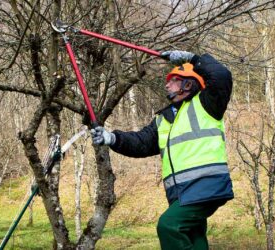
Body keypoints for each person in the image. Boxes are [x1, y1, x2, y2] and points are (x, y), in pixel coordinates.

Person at [91, 51, 234, 249]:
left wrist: (192, 59)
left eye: (174, 80)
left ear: (188, 84)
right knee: (194, 237)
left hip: (205, 186)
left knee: (169, 226)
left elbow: (221, 75)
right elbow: (141, 142)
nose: (167, 84)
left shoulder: (207, 103)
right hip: (182, 192)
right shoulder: (164, 119)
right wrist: (112, 138)